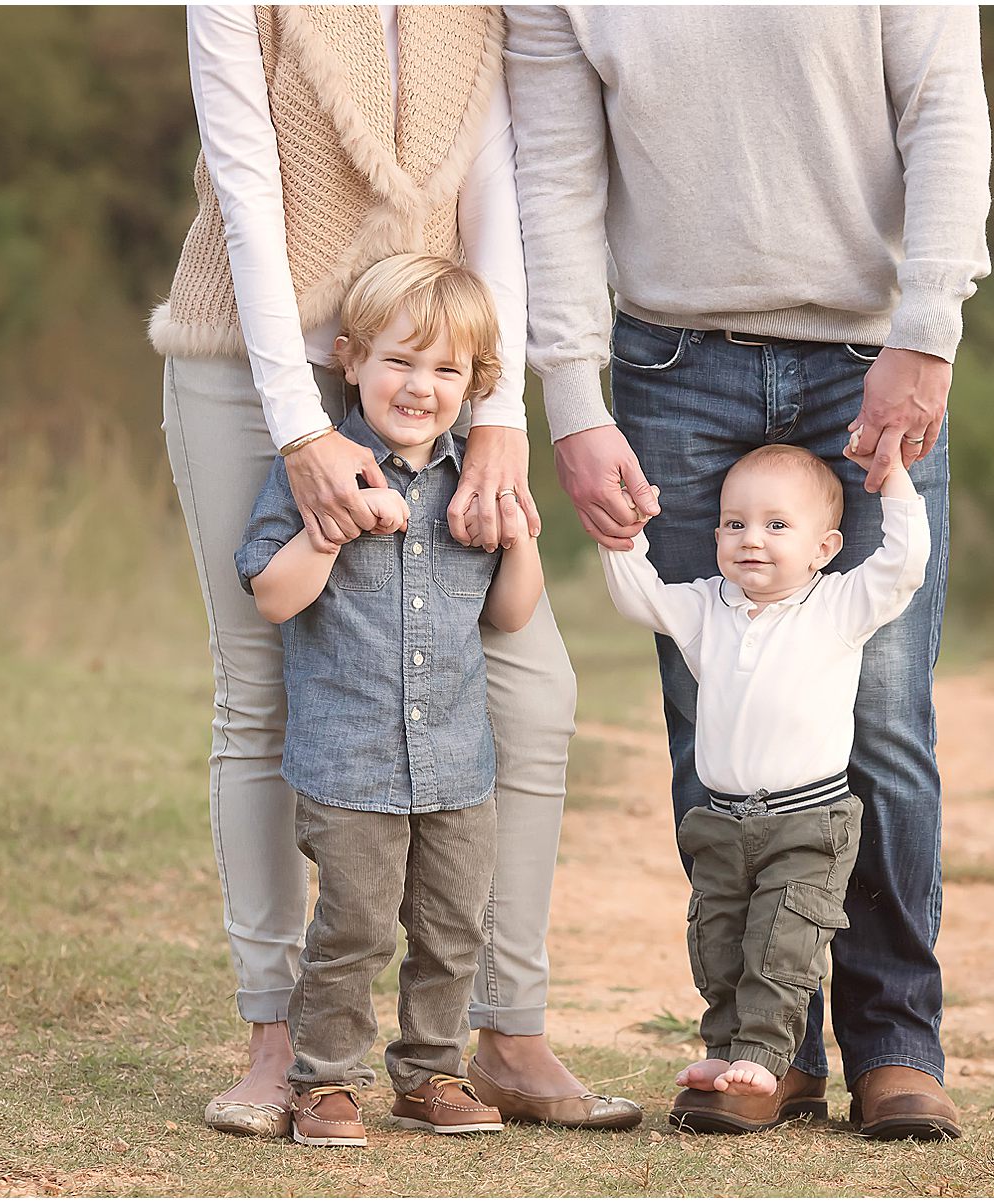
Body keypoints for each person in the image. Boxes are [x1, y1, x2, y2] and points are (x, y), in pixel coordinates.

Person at [504, 6, 991, 1139]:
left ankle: (894, 1047)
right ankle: (759, 1050)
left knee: (880, 718)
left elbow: (946, 112)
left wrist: (928, 333)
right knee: (714, 722)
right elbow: (555, 182)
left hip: (871, 353)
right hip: (672, 367)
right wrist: (571, 401)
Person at [155, 5, 641, 1137]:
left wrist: (501, 408)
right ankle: (284, 1040)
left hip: (434, 350)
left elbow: (500, 192)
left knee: (533, 686)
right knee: (264, 693)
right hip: (254, 352)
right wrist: (301, 429)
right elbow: (245, 187)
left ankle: (502, 1030)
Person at [235, 255, 539, 1147]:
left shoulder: (473, 481)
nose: (422, 386)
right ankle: (323, 1081)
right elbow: (272, 595)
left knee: (452, 930)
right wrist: (332, 531)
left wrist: (519, 537)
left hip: (456, 763)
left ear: (474, 385)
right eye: (402, 362)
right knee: (355, 928)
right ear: (350, 359)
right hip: (350, 761)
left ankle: (432, 1074)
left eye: (447, 370)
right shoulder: (319, 476)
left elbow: (511, 616)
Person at [600, 441, 931, 1134]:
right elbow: (639, 597)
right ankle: (726, 1051)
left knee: (782, 945)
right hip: (721, 821)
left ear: (824, 546)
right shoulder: (705, 607)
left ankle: (765, 1058)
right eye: (733, 523)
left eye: (777, 525)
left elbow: (903, 567)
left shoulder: (837, 604)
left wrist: (895, 478)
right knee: (720, 942)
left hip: (809, 821)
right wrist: (621, 536)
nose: (751, 539)